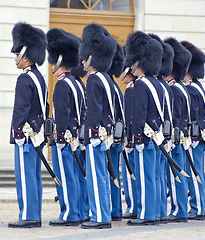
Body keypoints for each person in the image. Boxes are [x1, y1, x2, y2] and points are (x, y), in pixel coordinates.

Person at [8, 22, 48, 228]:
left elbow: (20, 110)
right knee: (34, 177)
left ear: (26, 55)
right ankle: (35, 213)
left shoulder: (24, 79)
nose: (15, 58)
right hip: (37, 134)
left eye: (17, 55)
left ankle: (28, 215)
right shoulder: (39, 77)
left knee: (25, 177)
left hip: (25, 135)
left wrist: (16, 132)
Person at [78, 23, 117, 229]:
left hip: (95, 136)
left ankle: (100, 216)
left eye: (85, 56)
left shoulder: (94, 80)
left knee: (96, 177)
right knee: (101, 176)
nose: (82, 60)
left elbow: (93, 111)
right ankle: (103, 214)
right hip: (104, 135)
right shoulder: (107, 79)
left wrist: (90, 134)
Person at [124, 31, 164, 226]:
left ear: (138, 61)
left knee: (144, 178)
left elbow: (138, 115)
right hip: (155, 138)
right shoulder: (156, 83)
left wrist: (136, 138)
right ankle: (154, 212)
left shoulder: (140, 85)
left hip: (145, 139)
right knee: (153, 177)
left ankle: (146, 215)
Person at [46, 28, 82, 226]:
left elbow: (61, 115)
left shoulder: (62, 84)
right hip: (74, 137)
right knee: (74, 176)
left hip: (63, 139)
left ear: (59, 61)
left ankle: (69, 214)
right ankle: (75, 211)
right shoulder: (76, 83)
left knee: (65, 178)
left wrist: (59, 138)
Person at [163, 37, 192, 223]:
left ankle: (179, 210)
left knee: (175, 176)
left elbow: (174, 117)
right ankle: (181, 208)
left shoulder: (174, 89)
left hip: (175, 138)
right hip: (182, 137)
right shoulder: (182, 88)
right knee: (179, 173)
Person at [149, 34, 175, 224]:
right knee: (158, 176)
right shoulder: (164, 86)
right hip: (163, 134)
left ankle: (154, 212)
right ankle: (159, 210)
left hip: (156, 135)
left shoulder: (154, 86)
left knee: (154, 176)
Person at [181, 40, 205, 221]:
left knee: (194, 172)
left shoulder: (191, 89)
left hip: (194, 136)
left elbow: (194, 116)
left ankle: (198, 208)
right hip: (198, 135)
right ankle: (199, 206)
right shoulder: (197, 87)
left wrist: (191, 135)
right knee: (196, 171)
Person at [107, 43, 125, 221]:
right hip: (115, 138)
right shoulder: (115, 87)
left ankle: (113, 209)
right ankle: (116, 209)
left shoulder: (108, 87)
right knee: (113, 175)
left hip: (109, 139)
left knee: (109, 175)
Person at [70, 60, 89, 222]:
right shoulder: (81, 85)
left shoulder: (68, 84)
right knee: (81, 176)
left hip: (72, 136)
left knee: (73, 175)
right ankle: (83, 210)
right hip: (81, 134)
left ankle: (73, 212)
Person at [120, 45, 137, 220]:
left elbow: (131, 116)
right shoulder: (131, 87)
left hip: (131, 137)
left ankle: (133, 205)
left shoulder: (133, 88)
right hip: (131, 135)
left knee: (130, 173)